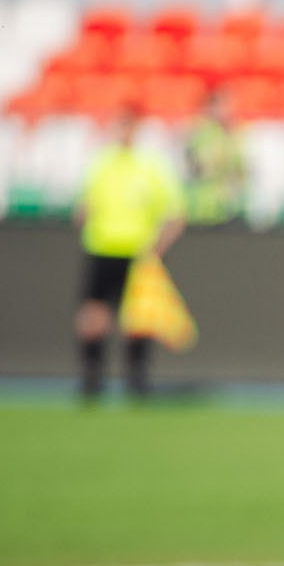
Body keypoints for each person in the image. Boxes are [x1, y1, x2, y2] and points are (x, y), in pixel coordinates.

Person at [72, 104, 183, 402]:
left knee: (137, 318)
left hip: (136, 253)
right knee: (94, 314)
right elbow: (83, 207)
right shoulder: (101, 164)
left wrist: (156, 248)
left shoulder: (150, 167)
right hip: (101, 248)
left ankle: (137, 377)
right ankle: (92, 374)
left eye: (127, 126)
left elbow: (174, 215)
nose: (122, 132)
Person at [182, 86, 246, 225]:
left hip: (227, 205)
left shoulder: (232, 134)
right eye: (222, 105)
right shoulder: (200, 133)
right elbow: (201, 167)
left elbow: (239, 168)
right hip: (202, 206)